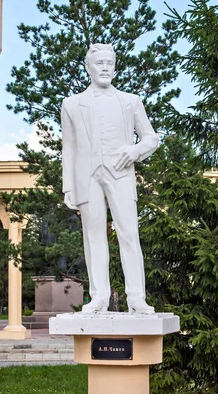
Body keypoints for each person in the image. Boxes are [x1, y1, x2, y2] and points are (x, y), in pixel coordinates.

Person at [61, 43, 158, 314]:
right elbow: (68, 146)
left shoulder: (130, 101)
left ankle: (137, 298)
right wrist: (68, 184)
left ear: (115, 67)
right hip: (87, 177)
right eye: (99, 63)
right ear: (87, 67)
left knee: (129, 233)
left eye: (109, 63)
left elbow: (151, 137)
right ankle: (99, 297)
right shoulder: (70, 104)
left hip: (121, 174)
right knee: (93, 237)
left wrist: (136, 150)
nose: (105, 67)